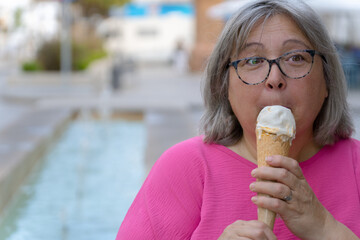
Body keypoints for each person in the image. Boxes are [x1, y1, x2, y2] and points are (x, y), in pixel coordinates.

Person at [116, 0, 360, 239]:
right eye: (253, 60)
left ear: (327, 80)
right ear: (225, 86)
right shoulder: (183, 168)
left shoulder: (355, 166)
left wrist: (326, 229)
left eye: (296, 58)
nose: (275, 77)